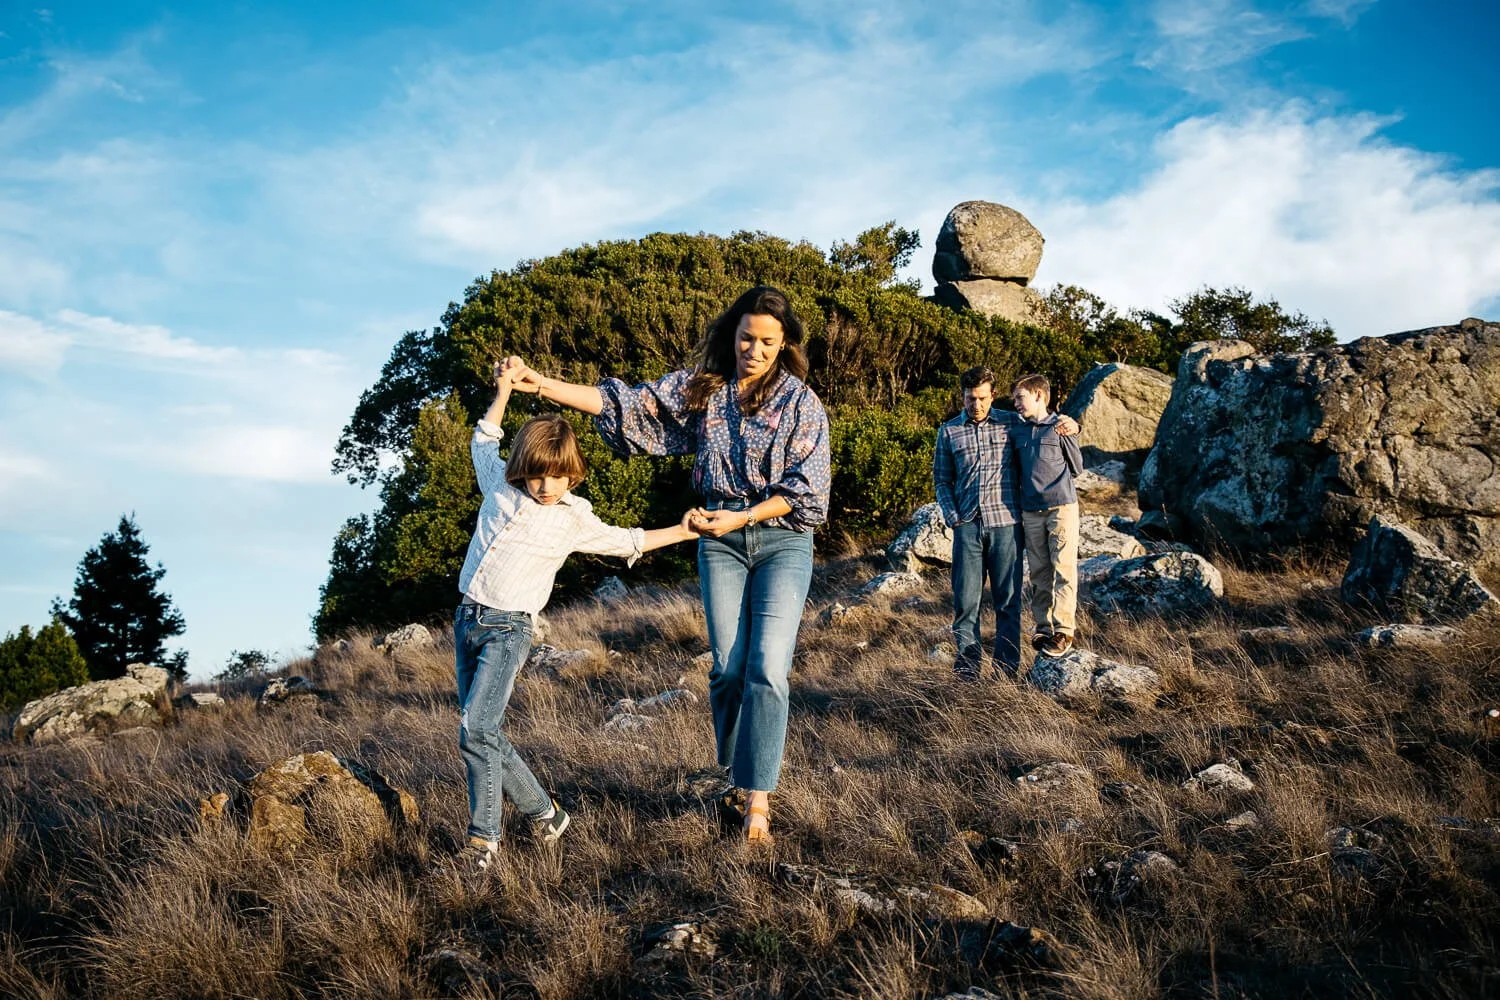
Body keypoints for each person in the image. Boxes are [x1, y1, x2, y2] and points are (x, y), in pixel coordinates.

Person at [504, 285, 831, 845]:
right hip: (718, 541)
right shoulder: (704, 390)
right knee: (728, 668)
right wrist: (546, 385)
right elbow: (629, 405)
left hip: (781, 538)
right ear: (732, 335)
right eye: (747, 338)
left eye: (768, 343)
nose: (755, 350)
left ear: (784, 346)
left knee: (768, 668)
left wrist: (746, 516)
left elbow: (808, 489)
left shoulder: (802, 404)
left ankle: (758, 801)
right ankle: (734, 773)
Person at [454, 359, 700, 875]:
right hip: (467, 622)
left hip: (509, 630)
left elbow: (626, 542)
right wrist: (503, 391)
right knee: (486, 732)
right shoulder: (497, 485)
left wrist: (683, 531)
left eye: (559, 477)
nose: (548, 486)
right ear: (523, 470)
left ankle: (483, 842)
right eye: (539, 476)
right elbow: (484, 438)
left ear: (573, 475)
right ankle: (547, 815)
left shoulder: (572, 518)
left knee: (476, 730)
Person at [933, 366, 1077, 681]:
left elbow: (1045, 423)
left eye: (983, 398)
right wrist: (953, 517)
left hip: (1007, 525)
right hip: (967, 526)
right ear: (962, 396)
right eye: (971, 398)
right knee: (966, 602)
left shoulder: (1012, 422)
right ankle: (968, 668)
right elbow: (942, 481)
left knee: (1008, 602)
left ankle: (1006, 672)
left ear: (992, 395)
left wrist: (1070, 422)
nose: (977, 405)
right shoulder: (948, 431)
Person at [1010, 373, 1083, 657]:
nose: (1015, 403)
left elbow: (1076, 467)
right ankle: (1043, 627)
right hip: (1030, 511)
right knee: (1039, 572)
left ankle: (1064, 632)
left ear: (1039, 395)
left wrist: (1075, 429)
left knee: (1064, 568)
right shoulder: (1016, 430)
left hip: (1061, 507)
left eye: (1020, 397)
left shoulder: (1060, 427)